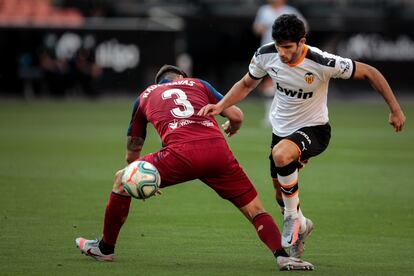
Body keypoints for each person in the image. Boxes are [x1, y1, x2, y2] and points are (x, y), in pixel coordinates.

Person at [198, 14, 406, 259]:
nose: (282, 53)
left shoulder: (322, 61)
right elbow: (246, 84)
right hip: (281, 131)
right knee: (280, 192)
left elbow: (371, 72)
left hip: (315, 130)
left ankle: (291, 218)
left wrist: (395, 109)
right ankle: (303, 224)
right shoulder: (266, 55)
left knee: (282, 155)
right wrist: (221, 106)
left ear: (301, 42)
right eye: (279, 47)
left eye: (287, 47)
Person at [75, 65, 314, 271]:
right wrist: (233, 125)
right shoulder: (198, 84)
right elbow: (237, 114)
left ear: (159, 83)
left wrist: (140, 179)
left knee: (120, 179)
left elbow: (132, 151)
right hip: (218, 153)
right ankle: (282, 257)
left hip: (179, 155)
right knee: (255, 209)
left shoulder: (146, 95)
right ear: (181, 78)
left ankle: (105, 248)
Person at [253, 0, 308, 127]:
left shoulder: (290, 11)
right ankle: (269, 116)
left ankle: (288, 115)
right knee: (267, 86)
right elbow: (256, 29)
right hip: (269, 53)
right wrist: (264, 27)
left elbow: (305, 27)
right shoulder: (264, 10)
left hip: (287, 54)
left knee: (287, 84)